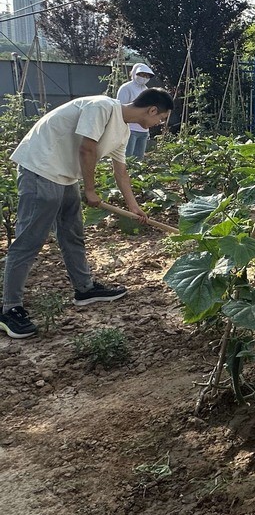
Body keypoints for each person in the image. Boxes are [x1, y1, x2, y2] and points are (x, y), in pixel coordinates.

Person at [0, 88, 174, 340]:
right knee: (30, 240)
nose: (159, 124)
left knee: (72, 234)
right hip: (40, 167)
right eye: (161, 118)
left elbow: (120, 171)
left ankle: (84, 289)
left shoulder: (123, 131)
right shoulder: (102, 107)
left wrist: (133, 206)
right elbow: (87, 149)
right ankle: (9, 309)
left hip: (65, 175)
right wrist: (90, 190)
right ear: (152, 110)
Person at [116, 62, 157, 160]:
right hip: (130, 129)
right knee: (127, 158)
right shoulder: (126, 88)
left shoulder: (146, 90)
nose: (144, 78)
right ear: (135, 74)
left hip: (143, 130)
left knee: (139, 159)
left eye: (147, 76)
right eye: (142, 75)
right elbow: (120, 108)